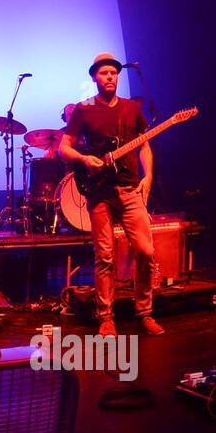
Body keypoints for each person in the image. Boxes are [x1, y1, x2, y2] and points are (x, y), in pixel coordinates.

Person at [59, 54, 161, 337]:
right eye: (104, 73)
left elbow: (145, 146)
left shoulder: (131, 108)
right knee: (104, 256)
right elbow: (63, 148)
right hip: (100, 192)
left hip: (130, 190)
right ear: (95, 77)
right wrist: (83, 159)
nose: (109, 77)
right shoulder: (84, 108)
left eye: (113, 73)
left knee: (146, 251)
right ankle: (106, 317)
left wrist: (148, 176)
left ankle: (145, 312)